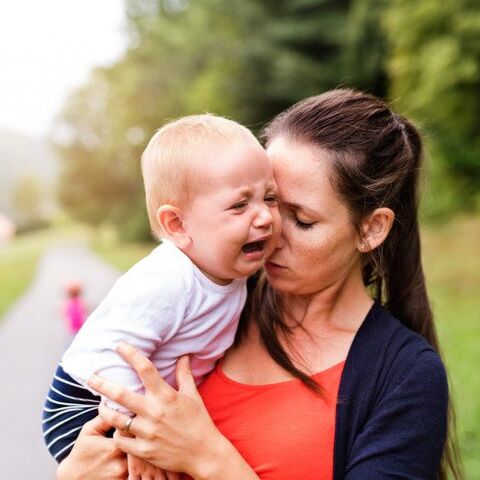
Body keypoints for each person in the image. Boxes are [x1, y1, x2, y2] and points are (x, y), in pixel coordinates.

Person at [55, 89, 462, 480]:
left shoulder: (406, 376)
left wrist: (207, 456)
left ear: (371, 229)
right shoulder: (215, 302)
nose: (268, 229)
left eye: (301, 219)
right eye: (266, 200)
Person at [43, 114, 280, 478]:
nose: (264, 216)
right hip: (85, 402)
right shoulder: (168, 280)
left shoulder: (232, 269)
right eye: (240, 205)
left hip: (135, 402)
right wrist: (134, 431)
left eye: (269, 197)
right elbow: (117, 359)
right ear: (178, 225)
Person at [62, 281, 87, 346]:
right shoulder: (80, 303)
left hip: (73, 330)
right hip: (80, 329)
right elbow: (84, 312)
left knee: (69, 346)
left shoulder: (69, 304)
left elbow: (65, 314)